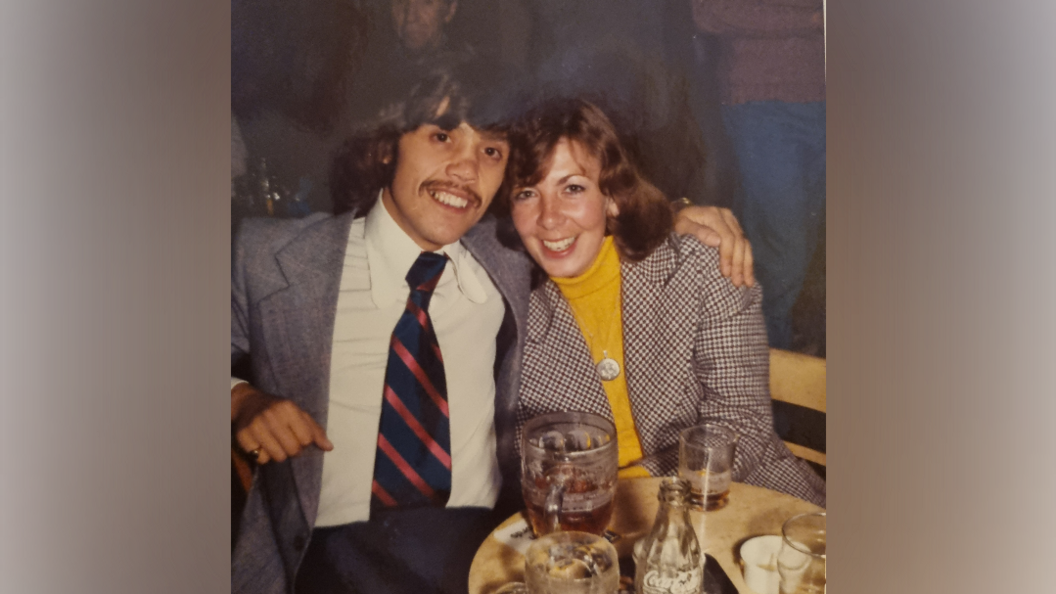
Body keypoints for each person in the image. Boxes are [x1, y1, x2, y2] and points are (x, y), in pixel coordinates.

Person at [231, 63, 755, 593]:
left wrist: (676, 213)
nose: (465, 169)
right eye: (441, 136)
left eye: (491, 152)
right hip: (334, 553)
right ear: (389, 143)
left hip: (485, 546)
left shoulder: (502, 259)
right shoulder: (273, 259)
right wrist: (239, 400)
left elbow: (586, 220)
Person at [496, 98, 825, 506]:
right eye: (527, 193)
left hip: (739, 496)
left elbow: (743, 423)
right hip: (594, 525)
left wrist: (629, 490)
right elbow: (528, 456)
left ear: (612, 197)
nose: (549, 217)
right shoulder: (505, 303)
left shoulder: (700, 265)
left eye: (573, 188)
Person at [691, 0, 827, 350]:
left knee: (797, 240)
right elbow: (709, 11)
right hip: (763, 102)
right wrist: (814, 17)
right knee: (786, 248)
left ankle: (767, 342)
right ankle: (765, 371)